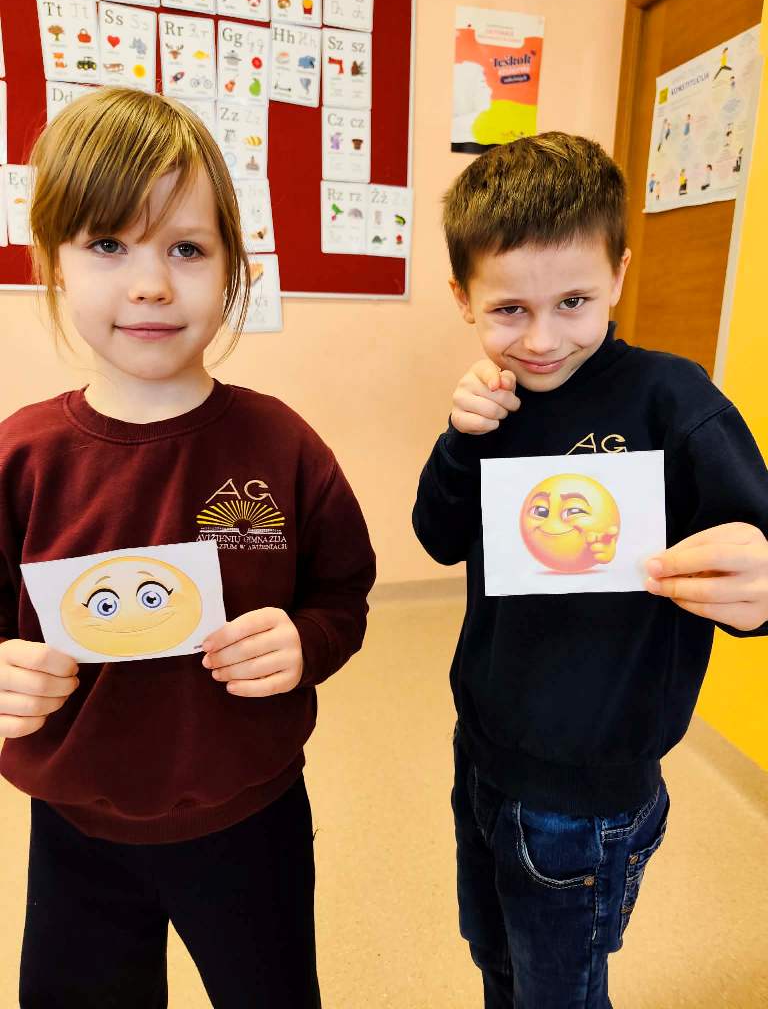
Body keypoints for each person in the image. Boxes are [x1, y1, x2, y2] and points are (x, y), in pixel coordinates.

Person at [0, 87, 375, 1008]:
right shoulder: (21, 458)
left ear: (233, 266)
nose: (150, 284)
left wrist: (306, 643)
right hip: (75, 829)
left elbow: (342, 595)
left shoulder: (283, 445)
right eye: (107, 244)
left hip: (252, 817)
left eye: (186, 249)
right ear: (52, 262)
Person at [412, 132, 768, 1008]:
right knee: (493, 956)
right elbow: (437, 537)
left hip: (589, 792)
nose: (542, 339)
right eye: (509, 309)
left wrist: (759, 580)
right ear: (462, 298)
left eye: (573, 301)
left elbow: (753, 553)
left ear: (617, 274)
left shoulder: (675, 402)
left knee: (561, 991)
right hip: (482, 750)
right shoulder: (491, 405)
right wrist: (460, 441)